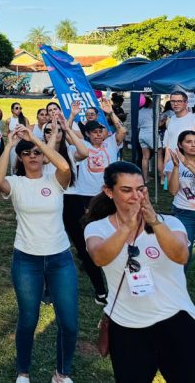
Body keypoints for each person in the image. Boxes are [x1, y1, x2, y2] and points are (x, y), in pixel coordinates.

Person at [84, 161, 195, 383]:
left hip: (175, 320)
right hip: (126, 327)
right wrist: (126, 227)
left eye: (140, 189)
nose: (136, 196)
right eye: (126, 190)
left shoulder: (170, 223)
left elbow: (181, 255)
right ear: (109, 191)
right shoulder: (97, 229)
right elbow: (99, 257)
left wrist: (153, 221)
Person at [0, 123, 77, 383]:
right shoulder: (16, 184)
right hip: (26, 259)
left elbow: (65, 167)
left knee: (69, 323)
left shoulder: (55, 179)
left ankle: (61, 374)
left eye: (36, 153)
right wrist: (9, 144)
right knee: (28, 320)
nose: (32, 156)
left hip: (60, 258)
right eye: (26, 152)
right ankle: (23, 372)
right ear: (20, 158)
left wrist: (37, 141)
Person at [64, 97, 126, 305]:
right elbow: (69, 134)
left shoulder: (111, 144)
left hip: (107, 196)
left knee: (113, 235)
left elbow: (122, 132)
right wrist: (72, 116)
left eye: (101, 130)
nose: (99, 134)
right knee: (88, 240)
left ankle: (116, 279)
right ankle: (100, 289)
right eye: (95, 132)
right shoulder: (79, 148)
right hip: (84, 198)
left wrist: (109, 114)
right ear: (88, 135)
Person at [164, 130, 195, 268]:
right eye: (189, 142)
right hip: (184, 211)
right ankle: (179, 285)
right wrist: (177, 166)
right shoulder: (172, 163)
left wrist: (187, 164)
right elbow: (172, 190)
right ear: (180, 145)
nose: (193, 145)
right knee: (183, 253)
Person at [137, 96, 155, 183]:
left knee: (145, 157)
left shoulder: (138, 112)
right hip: (151, 132)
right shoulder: (151, 111)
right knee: (159, 154)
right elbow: (157, 123)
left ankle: (145, 178)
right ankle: (163, 179)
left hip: (141, 133)